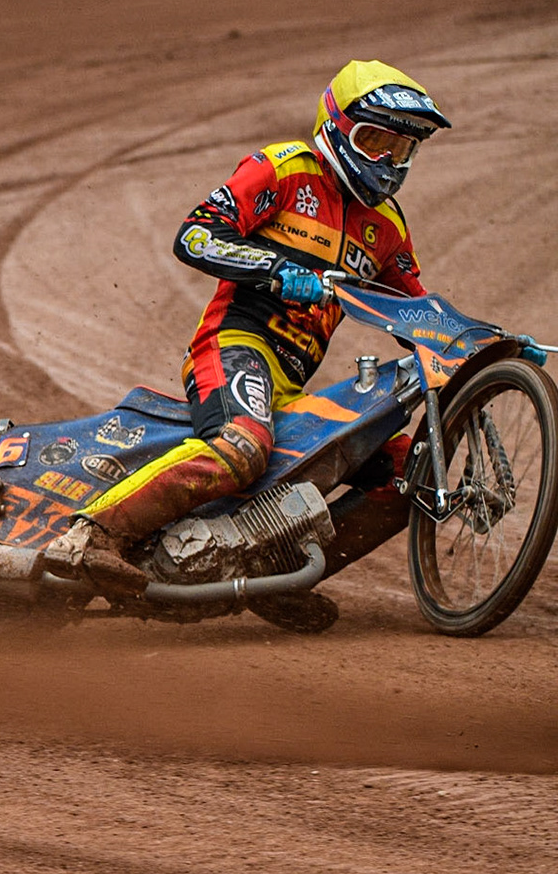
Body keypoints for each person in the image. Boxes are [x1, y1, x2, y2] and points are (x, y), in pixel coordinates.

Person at [44, 60, 450, 594]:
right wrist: (277, 270)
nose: (387, 161)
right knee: (244, 447)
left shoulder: (387, 228)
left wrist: (483, 345)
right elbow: (195, 234)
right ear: (336, 126)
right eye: (375, 140)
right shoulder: (284, 169)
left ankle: (272, 579)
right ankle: (89, 534)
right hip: (235, 344)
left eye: (401, 150)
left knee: (410, 474)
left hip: (293, 385)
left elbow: (417, 314)